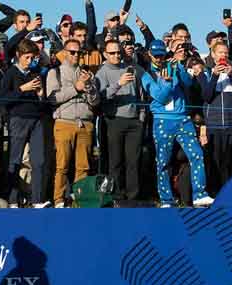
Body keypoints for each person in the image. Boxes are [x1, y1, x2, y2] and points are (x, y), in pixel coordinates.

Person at [141, 40, 213, 208]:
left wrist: (179, 66)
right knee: (163, 161)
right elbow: (161, 97)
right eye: (156, 56)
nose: (159, 59)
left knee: (196, 154)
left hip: (182, 118)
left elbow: (188, 83)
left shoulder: (173, 66)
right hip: (162, 121)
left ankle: (200, 194)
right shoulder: (147, 74)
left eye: (162, 55)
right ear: (150, 54)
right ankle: (166, 199)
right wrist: (166, 82)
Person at [46, 38, 100, 208]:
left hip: (85, 124)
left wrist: (89, 86)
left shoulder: (88, 74)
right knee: (62, 165)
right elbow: (53, 98)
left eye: (79, 52)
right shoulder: (55, 73)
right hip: (64, 123)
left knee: (83, 167)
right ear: (64, 52)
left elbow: (96, 102)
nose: (76, 55)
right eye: (72, 52)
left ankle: (80, 201)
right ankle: (59, 200)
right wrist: (75, 88)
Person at [197, 40, 232, 192]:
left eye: (225, 53)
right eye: (220, 52)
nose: (223, 55)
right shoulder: (205, 73)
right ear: (213, 54)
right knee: (218, 166)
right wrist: (215, 76)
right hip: (215, 127)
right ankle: (217, 197)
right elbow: (206, 96)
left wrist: (231, 76)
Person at [1, 39, 50, 208]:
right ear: (18, 55)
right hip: (18, 119)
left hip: (36, 119)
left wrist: (41, 95)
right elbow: (3, 100)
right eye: (27, 57)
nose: (30, 61)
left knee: (39, 160)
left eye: (32, 58)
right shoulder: (11, 73)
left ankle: (36, 200)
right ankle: (13, 199)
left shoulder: (35, 72)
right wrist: (23, 88)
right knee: (15, 160)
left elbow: (42, 103)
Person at [96, 39, 145, 201]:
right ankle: (116, 196)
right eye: (112, 53)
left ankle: (133, 197)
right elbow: (100, 97)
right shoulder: (102, 72)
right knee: (116, 161)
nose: (116, 55)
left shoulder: (130, 69)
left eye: (118, 52)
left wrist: (141, 117)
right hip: (114, 120)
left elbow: (140, 94)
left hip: (134, 122)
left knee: (133, 161)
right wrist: (118, 83)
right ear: (105, 54)